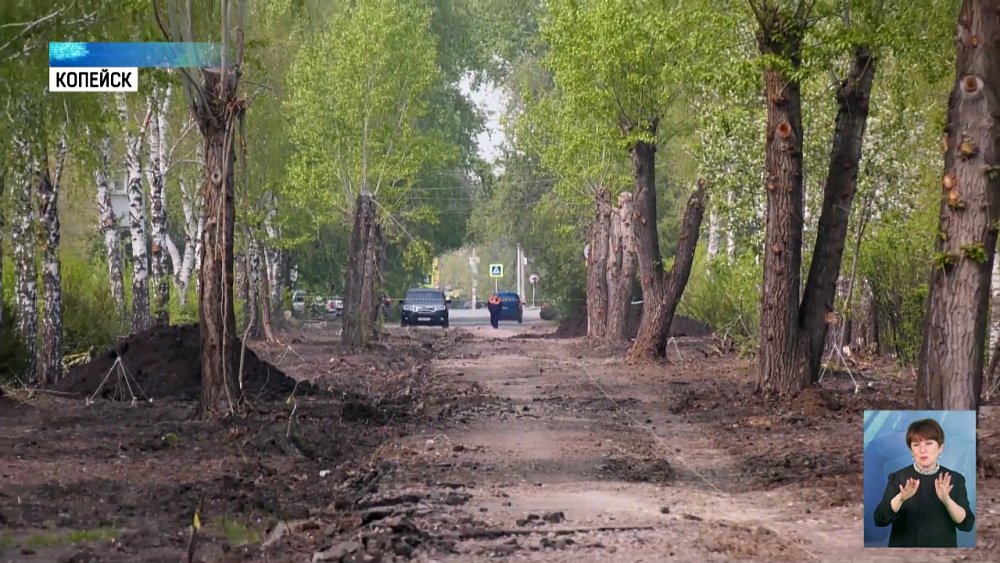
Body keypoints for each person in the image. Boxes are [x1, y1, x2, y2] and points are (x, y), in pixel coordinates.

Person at [873, 418, 975, 547]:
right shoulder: (898, 478)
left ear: (940, 448)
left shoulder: (955, 479)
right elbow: (880, 520)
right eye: (916, 445)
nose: (922, 450)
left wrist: (947, 500)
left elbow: (967, 525)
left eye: (929, 443)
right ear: (911, 450)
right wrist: (901, 498)